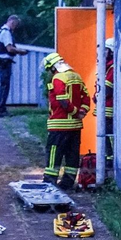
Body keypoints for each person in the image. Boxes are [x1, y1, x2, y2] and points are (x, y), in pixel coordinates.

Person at [42, 53, 90, 190]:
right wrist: (82, 112)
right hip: (75, 126)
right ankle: (67, 184)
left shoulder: (58, 78)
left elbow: (62, 100)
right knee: (72, 156)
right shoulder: (76, 76)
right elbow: (86, 97)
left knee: (54, 156)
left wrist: (74, 112)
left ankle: (49, 183)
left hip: (59, 125)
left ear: (52, 67)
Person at [0, 15, 28, 117]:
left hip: (1, 61)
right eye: (15, 25)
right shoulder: (6, 33)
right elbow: (9, 49)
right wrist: (21, 51)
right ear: (12, 22)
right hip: (4, 62)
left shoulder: (1, 31)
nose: (15, 28)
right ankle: (1, 110)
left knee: (4, 85)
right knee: (4, 86)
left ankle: (1, 108)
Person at [102, 38, 115, 173]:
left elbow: (108, 90)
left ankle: (110, 160)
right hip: (105, 108)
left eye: (105, 50)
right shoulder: (106, 67)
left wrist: (98, 96)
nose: (102, 53)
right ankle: (108, 158)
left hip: (109, 109)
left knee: (109, 135)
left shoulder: (112, 67)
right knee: (106, 136)